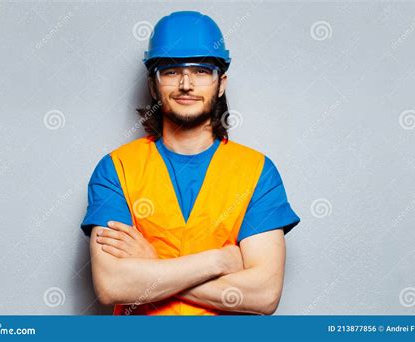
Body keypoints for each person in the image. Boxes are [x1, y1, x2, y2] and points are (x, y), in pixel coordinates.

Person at [80, 10, 300, 315]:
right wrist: (219, 262)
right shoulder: (116, 169)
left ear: (220, 83)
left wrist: (154, 265)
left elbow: (264, 294)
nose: (186, 83)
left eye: (201, 70)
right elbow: (111, 284)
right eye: (171, 71)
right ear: (154, 85)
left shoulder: (257, 172)